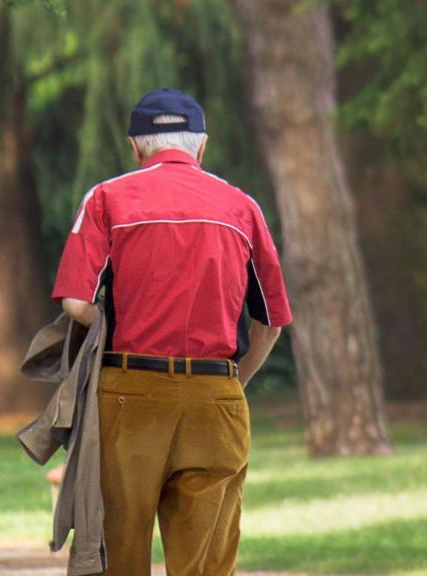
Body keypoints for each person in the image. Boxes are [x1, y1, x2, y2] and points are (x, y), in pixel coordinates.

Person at [51, 87, 293, 575]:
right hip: (215, 395)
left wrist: (109, 328)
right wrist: (233, 382)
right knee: (205, 561)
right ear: (201, 147)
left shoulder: (106, 199)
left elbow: (77, 303)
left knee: (121, 548)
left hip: (129, 395)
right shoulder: (242, 207)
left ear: (135, 146)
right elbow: (270, 321)